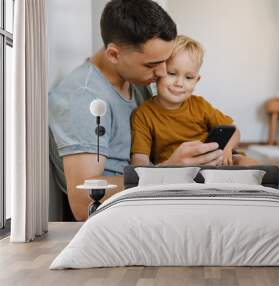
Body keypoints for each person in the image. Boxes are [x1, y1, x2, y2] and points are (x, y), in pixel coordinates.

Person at [49, 0, 225, 221]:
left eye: (165, 61)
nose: (162, 73)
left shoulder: (136, 82)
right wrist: (170, 169)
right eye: (152, 65)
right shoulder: (83, 100)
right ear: (114, 54)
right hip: (124, 215)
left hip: (155, 196)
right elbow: (84, 203)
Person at [131, 35, 246, 166]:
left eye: (189, 77)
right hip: (174, 172)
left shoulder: (200, 105)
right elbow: (139, 162)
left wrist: (227, 148)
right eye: (172, 73)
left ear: (196, 80)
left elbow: (234, 131)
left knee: (246, 162)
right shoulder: (143, 114)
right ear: (158, 72)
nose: (179, 83)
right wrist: (169, 165)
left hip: (212, 164)